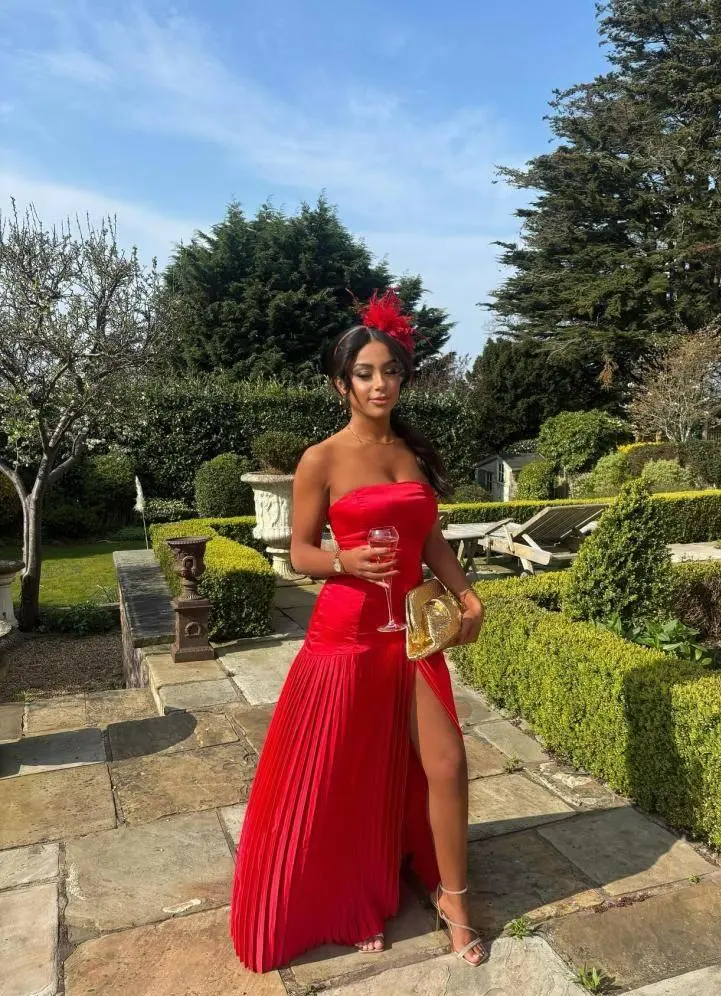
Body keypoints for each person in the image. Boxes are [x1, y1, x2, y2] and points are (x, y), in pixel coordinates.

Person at [230, 289, 487, 971]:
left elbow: (429, 538)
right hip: (347, 634)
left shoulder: (409, 453)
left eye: (391, 372)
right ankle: (343, 895)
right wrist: (343, 560)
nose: (381, 385)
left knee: (447, 763)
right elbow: (298, 551)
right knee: (343, 769)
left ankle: (456, 901)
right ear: (341, 384)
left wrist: (467, 595)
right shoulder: (321, 458)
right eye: (366, 373)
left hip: (413, 630)